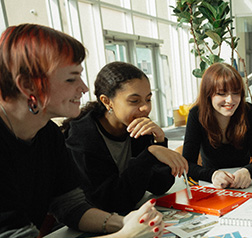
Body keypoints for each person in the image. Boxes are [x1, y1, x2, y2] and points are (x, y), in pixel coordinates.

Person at [0, 24, 163, 238]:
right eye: (71, 78)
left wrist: (126, 223)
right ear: (28, 86)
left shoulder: (48, 134)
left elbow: (71, 206)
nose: (84, 88)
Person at [63, 62, 187, 214]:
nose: (145, 108)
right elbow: (112, 203)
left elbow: (160, 186)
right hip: (92, 223)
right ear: (107, 101)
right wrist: (149, 154)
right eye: (134, 101)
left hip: (131, 216)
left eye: (148, 99)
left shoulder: (138, 127)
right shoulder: (83, 137)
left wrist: (159, 142)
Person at [182, 62, 252, 189]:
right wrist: (213, 175)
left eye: (236, 93)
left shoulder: (247, 111)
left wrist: (247, 171)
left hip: (243, 185)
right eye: (222, 94)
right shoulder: (197, 114)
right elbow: (187, 165)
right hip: (213, 186)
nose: (230, 100)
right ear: (208, 94)